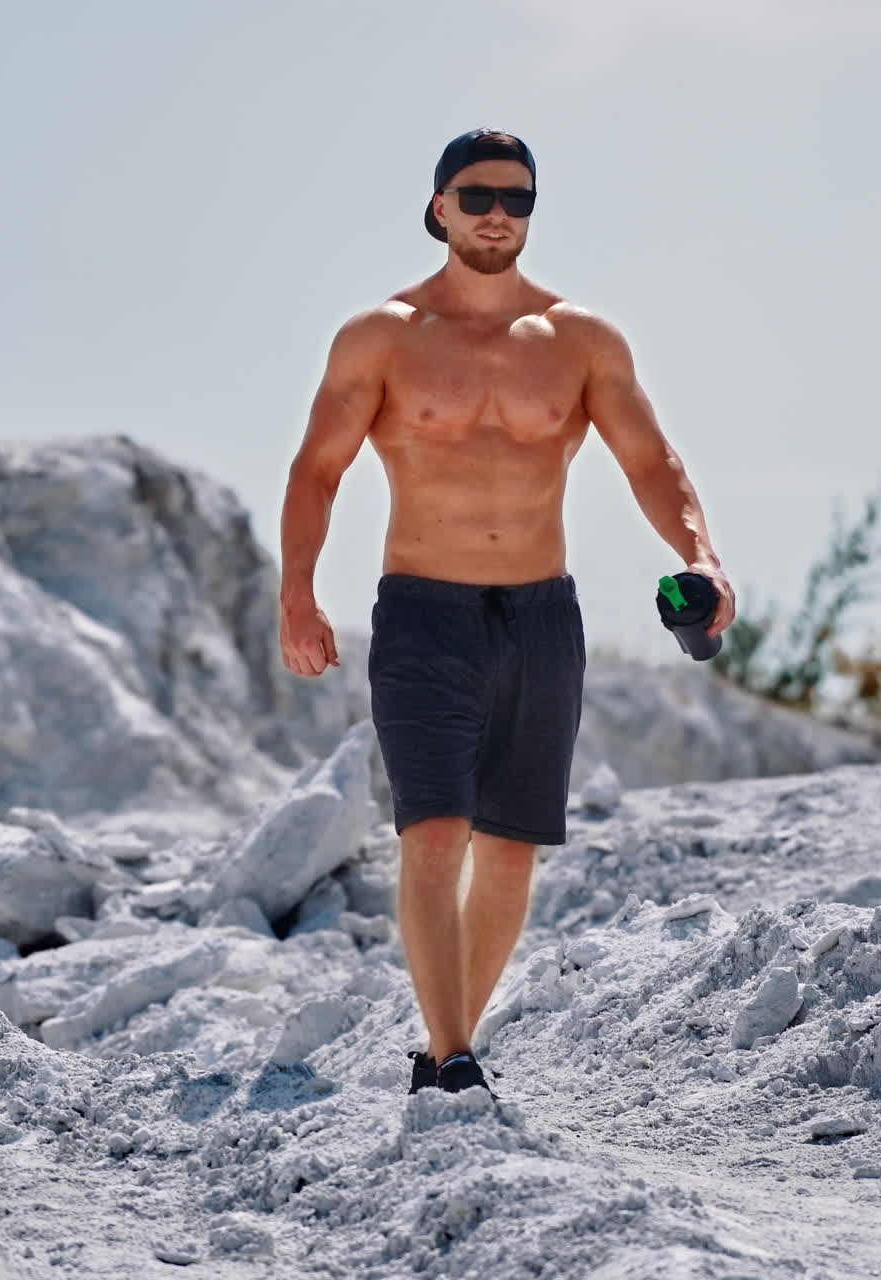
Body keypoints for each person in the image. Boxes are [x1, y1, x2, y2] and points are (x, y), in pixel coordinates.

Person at [278, 127, 736, 1099]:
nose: (497, 214)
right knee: (433, 830)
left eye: (516, 199)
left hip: (540, 618)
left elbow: (651, 462)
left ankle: (447, 1043)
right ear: (438, 207)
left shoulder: (579, 339)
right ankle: (452, 1057)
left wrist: (700, 556)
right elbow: (316, 468)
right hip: (422, 614)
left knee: (511, 846)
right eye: (478, 196)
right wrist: (297, 590)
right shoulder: (382, 335)